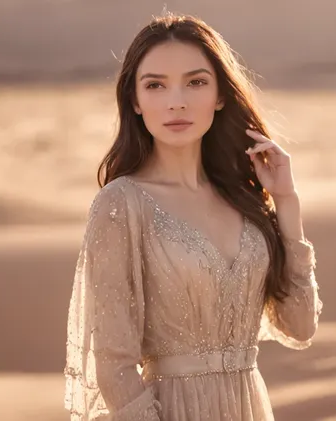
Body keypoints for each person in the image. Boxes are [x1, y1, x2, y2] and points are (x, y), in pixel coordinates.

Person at [63, 13, 322, 421]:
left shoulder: (245, 199)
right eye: (155, 85)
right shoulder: (121, 204)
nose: (176, 101)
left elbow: (301, 326)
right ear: (134, 100)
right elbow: (113, 365)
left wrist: (286, 202)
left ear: (220, 94)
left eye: (196, 82)